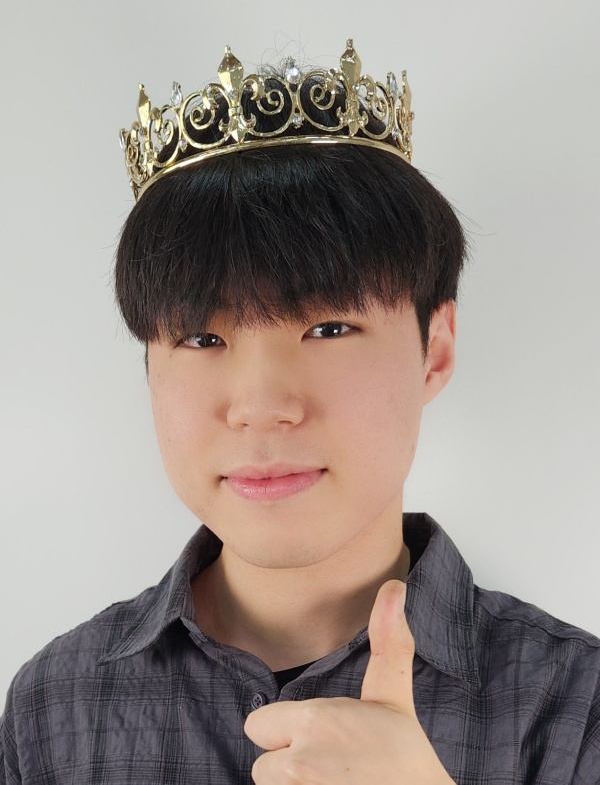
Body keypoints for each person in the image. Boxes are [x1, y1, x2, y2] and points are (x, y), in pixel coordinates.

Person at [1, 39, 599, 785]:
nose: (260, 408)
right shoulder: (53, 707)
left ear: (435, 350)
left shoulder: (574, 705)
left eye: (329, 329)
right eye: (202, 338)